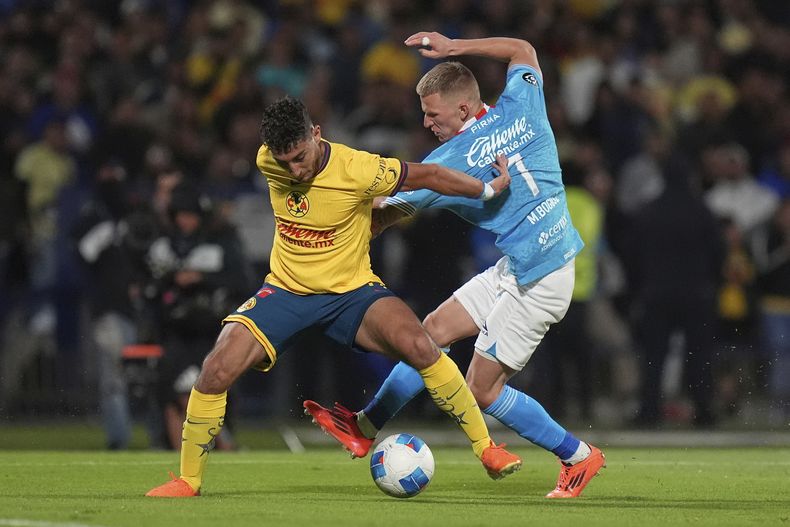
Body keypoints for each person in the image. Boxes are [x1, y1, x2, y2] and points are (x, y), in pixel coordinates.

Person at [145, 95, 519, 498]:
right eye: (285, 161)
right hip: (286, 291)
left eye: (300, 157)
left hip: (351, 292)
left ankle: (486, 449)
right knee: (215, 369)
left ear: (317, 134)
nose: (294, 168)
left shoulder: (359, 168)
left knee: (419, 344)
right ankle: (188, 480)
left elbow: (428, 175)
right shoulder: (266, 160)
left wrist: (485, 189)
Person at [304, 32, 606, 499]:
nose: (426, 123)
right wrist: (453, 47)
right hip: (525, 265)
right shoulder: (520, 103)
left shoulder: (445, 164)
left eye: (432, 114)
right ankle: (365, 426)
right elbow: (523, 49)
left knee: (482, 391)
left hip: (541, 280)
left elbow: (383, 214)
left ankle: (578, 456)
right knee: (430, 333)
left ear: (463, 110)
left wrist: (326, 224)